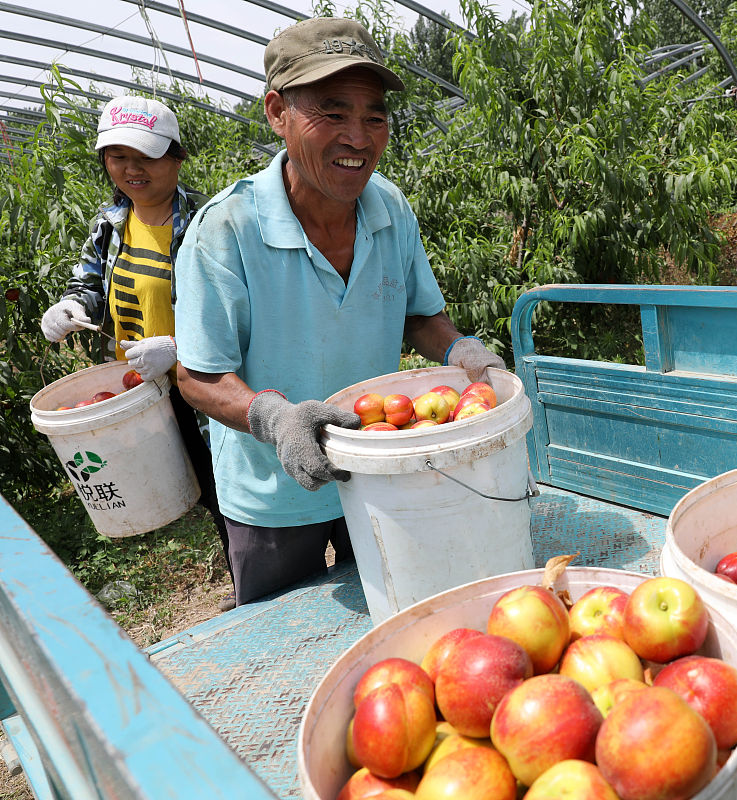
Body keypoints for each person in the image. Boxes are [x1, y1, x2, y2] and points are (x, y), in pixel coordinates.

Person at [173, 17, 506, 608]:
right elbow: (196, 376)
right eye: (333, 112)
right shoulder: (226, 230)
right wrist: (274, 420)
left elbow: (418, 316)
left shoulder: (390, 209)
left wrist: (462, 352)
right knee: (283, 637)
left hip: (379, 473)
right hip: (274, 496)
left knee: (396, 612)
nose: (359, 136)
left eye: (374, 115)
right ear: (278, 113)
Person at [40, 95, 234, 609]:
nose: (131, 169)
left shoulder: (207, 222)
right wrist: (69, 305)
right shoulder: (111, 224)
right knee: (197, 486)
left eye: (145, 156)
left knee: (227, 485)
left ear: (175, 157)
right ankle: (242, 573)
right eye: (117, 156)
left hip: (209, 384)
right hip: (146, 389)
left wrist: (178, 347)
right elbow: (91, 284)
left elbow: (237, 308)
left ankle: (260, 572)